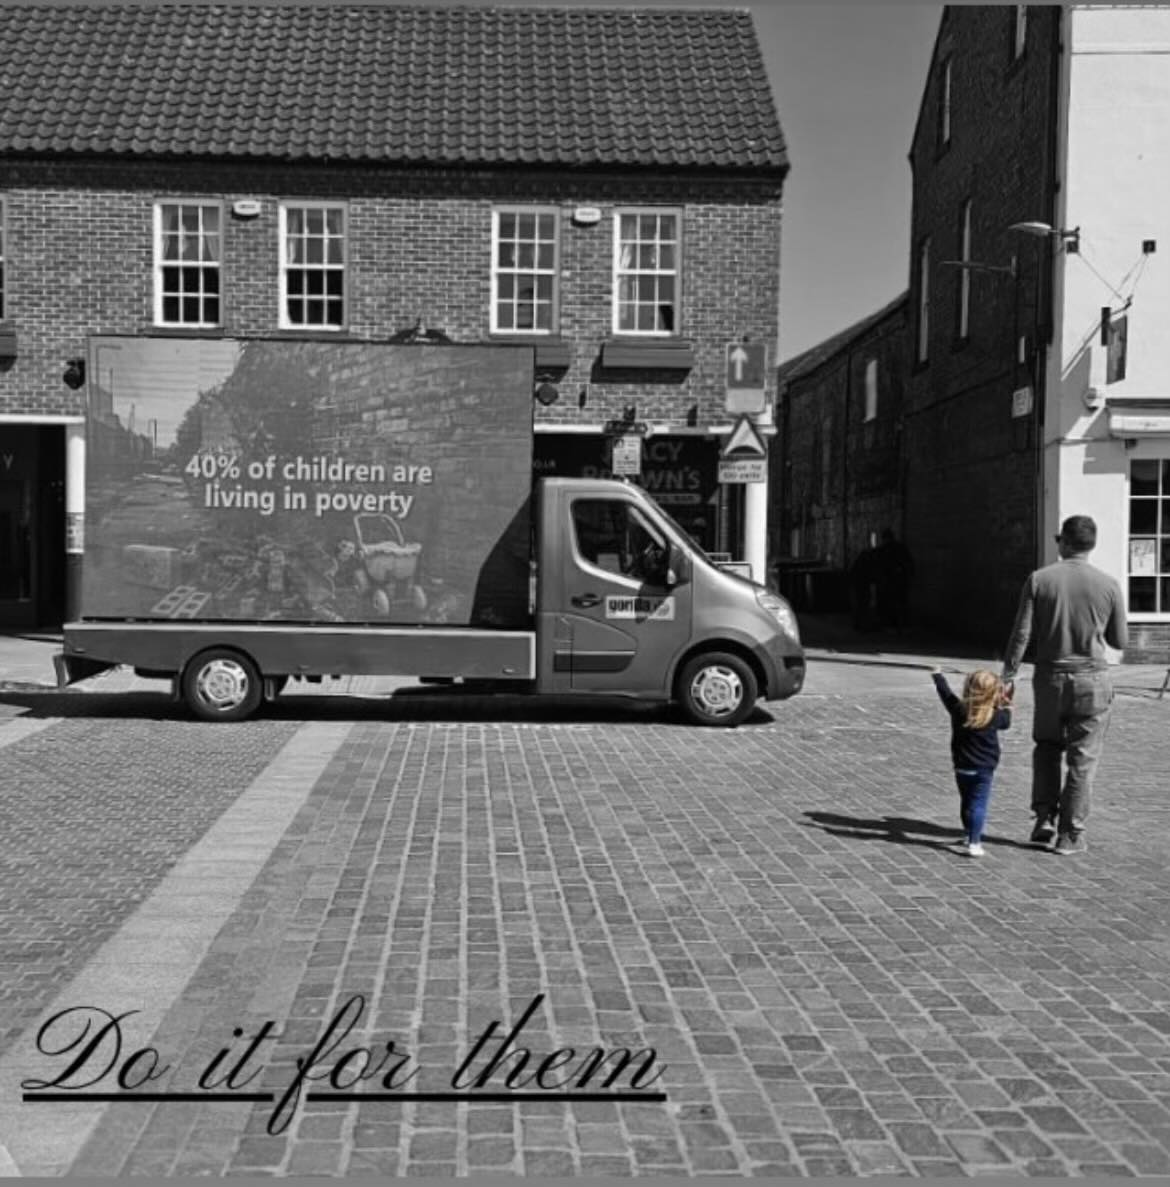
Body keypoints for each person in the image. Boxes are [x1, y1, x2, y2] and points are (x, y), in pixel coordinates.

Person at [1002, 515, 1128, 855]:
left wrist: (1008, 674)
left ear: (1065, 543)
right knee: (1082, 759)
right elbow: (1120, 641)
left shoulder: (1040, 580)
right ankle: (1070, 834)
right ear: (1091, 545)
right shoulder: (1108, 584)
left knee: (1046, 746)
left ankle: (1043, 817)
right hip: (1092, 679)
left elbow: (1022, 633)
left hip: (1050, 679)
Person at [931, 668, 1013, 857]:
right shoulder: (995, 716)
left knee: (967, 802)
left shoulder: (959, 710)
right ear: (994, 694)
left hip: (961, 766)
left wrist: (938, 676)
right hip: (984, 768)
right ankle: (975, 842)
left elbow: (946, 694)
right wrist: (1007, 705)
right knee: (978, 804)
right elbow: (1007, 721)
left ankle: (968, 833)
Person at [874, 528, 914, 632]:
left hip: (890, 582)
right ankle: (899, 624)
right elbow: (908, 563)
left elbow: (879, 566)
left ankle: (891, 624)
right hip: (899, 581)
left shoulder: (883, 550)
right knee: (899, 603)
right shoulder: (900, 548)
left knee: (889, 603)